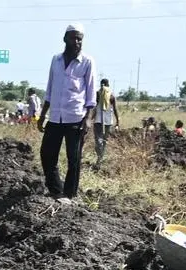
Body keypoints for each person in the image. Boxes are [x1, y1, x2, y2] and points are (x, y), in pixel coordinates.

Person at [37, 23, 97, 200]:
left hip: (76, 117)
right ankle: (56, 190)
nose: (77, 42)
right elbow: (50, 89)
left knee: (74, 158)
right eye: (73, 38)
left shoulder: (87, 62)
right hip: (55, 117)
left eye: (80, 39)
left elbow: (91, 93)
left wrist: (88, 119)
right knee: (47, 154)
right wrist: (42, 115)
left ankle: (70, 195)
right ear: (65, 39)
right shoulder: (55, 60)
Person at [92, 78, 119, 168]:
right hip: (108, 121)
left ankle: (99, 159)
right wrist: (118, 121)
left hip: (98, 121)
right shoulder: (112, 95)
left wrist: (90, 118)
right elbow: (115, 109)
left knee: (98, 140)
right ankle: (100, 158)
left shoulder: (97, 94)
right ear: (108, 85)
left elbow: (94, 108)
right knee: (104, 141)